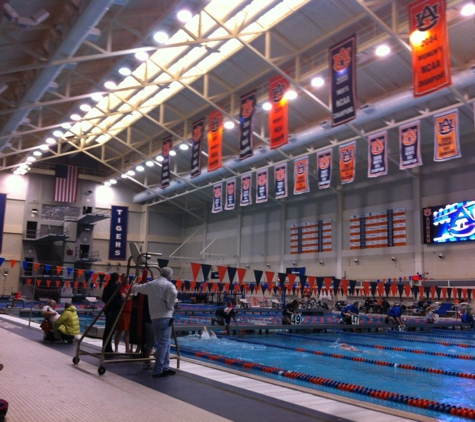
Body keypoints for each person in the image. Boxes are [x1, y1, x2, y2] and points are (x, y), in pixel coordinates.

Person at [132, 267, 177, 378]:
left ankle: (165, 367)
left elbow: (136, 288)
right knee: (163, 343)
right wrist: (170, 305)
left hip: (154, 318)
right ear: (170, 276)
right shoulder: (168, 284)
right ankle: (158, 369)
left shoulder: (151, 284)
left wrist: (134, 283)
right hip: (165, 317)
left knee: (165, 343)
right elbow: (174, 293)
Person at [101, 272, 123, 355]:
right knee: (111, 330)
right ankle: (108, 348)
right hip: (113, 310)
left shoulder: (107, 287)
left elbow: (104, 298)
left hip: (108, 309)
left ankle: (106, 347)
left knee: (108, 329)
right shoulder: (115, 287)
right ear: (118, 279)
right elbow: (117, 299)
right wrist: (121, 304)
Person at [114, 274, 133, 353]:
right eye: (125, 278)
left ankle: (127, 349)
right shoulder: (120, 288)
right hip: (123, 311)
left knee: (128, 331)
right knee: (119, 330)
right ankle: (116, 348)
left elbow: (132, 296)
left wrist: (128, 295)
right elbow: (124, 298)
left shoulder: (132, 287)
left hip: (130, 311)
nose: (127, 280)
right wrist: (130, 296)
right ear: (122, 279)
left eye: (127, 278)